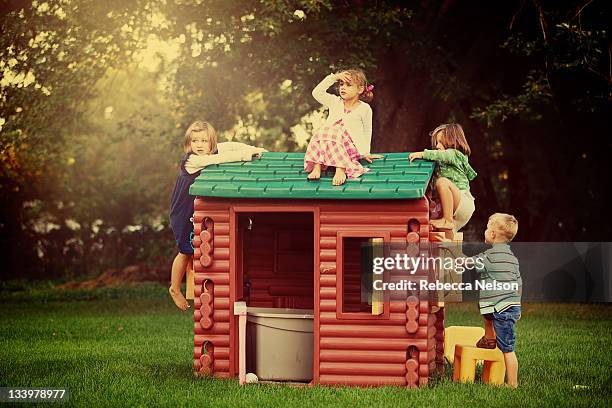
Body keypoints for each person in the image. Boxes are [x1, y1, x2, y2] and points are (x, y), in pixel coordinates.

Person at [169, 121, 265, 311]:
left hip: (194, 210)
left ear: (211, 143)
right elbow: (217, 160)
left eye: (204, 140)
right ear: (189, 143)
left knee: (196, 248)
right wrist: (246, 155)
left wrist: (255, 149)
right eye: (194, 141)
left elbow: (231, 146)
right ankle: (174, 288)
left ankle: (193, 286)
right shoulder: (193, 160)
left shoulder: (213, 150)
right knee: (185, 251)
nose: (199, 145)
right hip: (182, 211)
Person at [474, 213, 522, 388]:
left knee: (508, 349)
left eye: (487, 228)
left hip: (501, 309)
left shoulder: (489, 256)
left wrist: (453, 256)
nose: (485, 231)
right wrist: (518, 305)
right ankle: (489, 337)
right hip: (506, 305)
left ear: (492, 234)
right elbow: (519, 283)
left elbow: (470, 263)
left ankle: (512, 384)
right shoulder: (513, 259)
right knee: (486, 307)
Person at [304, 69, 374, 186]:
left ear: (360, 89)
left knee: (333, 131)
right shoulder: (335, 102)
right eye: (341, 84)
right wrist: (334, 77)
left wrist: (366, 152)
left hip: (349, 148)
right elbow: (317, 93)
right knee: (323, 131)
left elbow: (368, 130)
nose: (343, 87)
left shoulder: (365, 108)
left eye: (348, 85)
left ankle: (341, 169)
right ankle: (317, 167)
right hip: (329, 144)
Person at [409, 123, 476, 231]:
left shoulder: (455, 154)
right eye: (436, 143)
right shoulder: (441, 166)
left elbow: (443, 155)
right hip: (451, 208)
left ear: (453, 141)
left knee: (442, 182)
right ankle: (447, 237)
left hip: (463, 201)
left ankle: (447, 220)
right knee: (444, 239)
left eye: (441, 142)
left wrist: (423, 154)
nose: (437, 146)